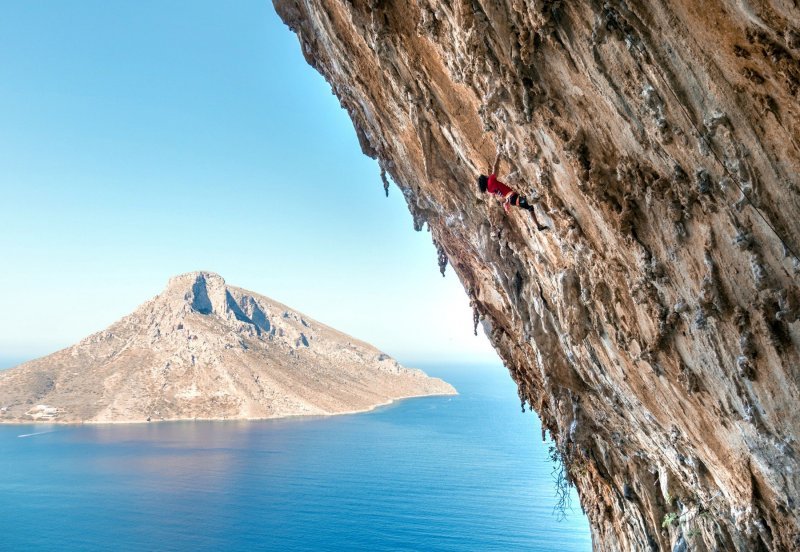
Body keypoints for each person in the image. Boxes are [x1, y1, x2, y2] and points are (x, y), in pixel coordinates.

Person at [477, 152, 549, 231]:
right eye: (485, 176)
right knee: (530, 199)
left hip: (511, 200)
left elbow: (500, 195)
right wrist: (497, 157)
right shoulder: (491, 181)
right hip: (513, 197)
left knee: (530, 207)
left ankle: (538, 226)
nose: (486, 176)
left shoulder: (490, 190)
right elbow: (495, 168)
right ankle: (542, 192)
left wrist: (506, 203)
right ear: (484, 179)